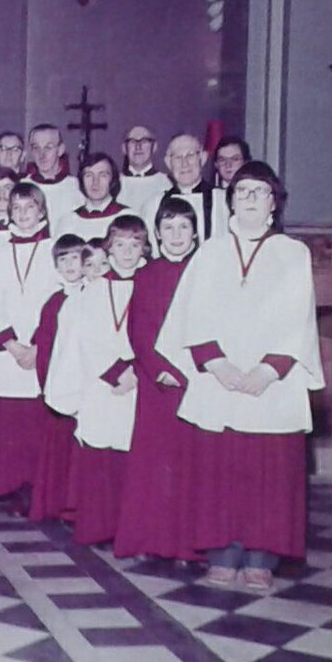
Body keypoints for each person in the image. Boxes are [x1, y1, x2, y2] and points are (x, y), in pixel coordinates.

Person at [156, 161, 324, 591]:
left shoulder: (293, 253)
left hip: (273, 384)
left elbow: (298, 317)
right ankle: (222, 555)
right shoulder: (210, 252)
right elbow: (191, 315)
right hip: (220, 379)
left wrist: (269, 371)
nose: (248, 198)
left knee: (268, 471)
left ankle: (260, 558)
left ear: (274, 202)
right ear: (229, 200)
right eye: (241, 190)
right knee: (219, 468)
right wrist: (216, 364)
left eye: (259, 191)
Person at [47, 214, 148, 545]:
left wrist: (136, 371)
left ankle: (132, 530)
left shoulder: (151, 283)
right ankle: (100, 526)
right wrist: (116, 372)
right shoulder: (92, 290)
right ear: (109, 248)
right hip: (101, 382)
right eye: (120, 245)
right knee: (100, 456)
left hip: (141, 383)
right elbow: (84, 336)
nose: (127, 252)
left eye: (135, 245)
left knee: (135, 457)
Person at [114, 196, 203, 562]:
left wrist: (191, 369)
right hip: (157, 383)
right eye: (168, 227)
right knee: (153, 464)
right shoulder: (147, 274)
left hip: (196, 380)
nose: (176, 234)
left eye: (184, 227)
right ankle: (149, 541)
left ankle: (188, 546)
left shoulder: (204, 271)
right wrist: (157, 368)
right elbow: (139, 329)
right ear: (158, 233)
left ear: (195, 234)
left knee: (190, 464)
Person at [0, 182, 56, 504]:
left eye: (30, 208)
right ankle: (10, 486)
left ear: (41, 212)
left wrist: (39, 345)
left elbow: (59, 301)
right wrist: (11, 344)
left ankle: (35, 488)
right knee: (9, 421)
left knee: (37, 422)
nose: (23, 215)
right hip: (8, 351)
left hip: (42, 349)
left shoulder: (54, 250)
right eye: (17, 208)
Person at [28, 233, 87, 522]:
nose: (69, 265)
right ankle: (57, 505)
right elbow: (46, 346)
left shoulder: (94, 294)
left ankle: (80, 508)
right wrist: (46, 382)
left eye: (75, 258)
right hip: (59, 385)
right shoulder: (54, 302)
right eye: (63, 259)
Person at [143, 133, 228, 243]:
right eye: (178, 157)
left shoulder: (223, 200)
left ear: (203, 158)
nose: (185, 164)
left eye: (190, 155)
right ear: (168, 163)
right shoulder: (153, 206)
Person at [55, 151, 133, 241]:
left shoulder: (128, 218)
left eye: (103, 175)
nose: (95, 182)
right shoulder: (68, 222)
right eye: (89, 175)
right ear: (81, 181)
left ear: (113, 180)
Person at [23, 124, 81, 227]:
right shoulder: (23, 186)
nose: (42, 154)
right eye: (36, 148)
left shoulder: (76, 186)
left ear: (60, 150)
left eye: (48, 147)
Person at [118, 125, 171, 211]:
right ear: (124, 148)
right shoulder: (113, 183)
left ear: (154, 147)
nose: (138, 146)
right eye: (132, 141)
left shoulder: (168, 183)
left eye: (144, 141)